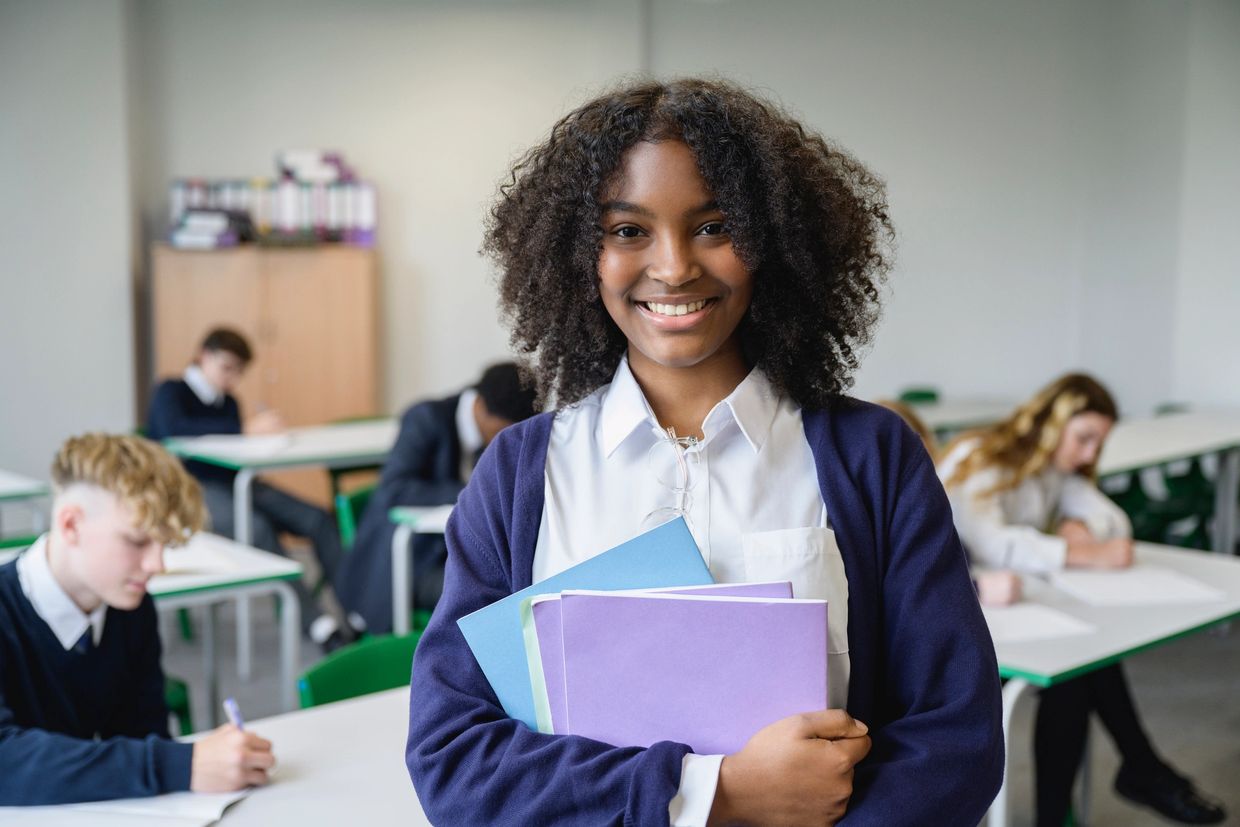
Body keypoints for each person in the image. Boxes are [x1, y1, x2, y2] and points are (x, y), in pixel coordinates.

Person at [405, 78, 1003, 825]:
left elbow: (958, 741)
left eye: (715, 226)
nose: (675, 265)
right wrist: (714, 795)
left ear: (773, 242)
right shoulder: (520, 473)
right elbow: (453, 757)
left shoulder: (871, 456)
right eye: (629, 231)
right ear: (579, 253)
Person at [938, 373, 1226, 826]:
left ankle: (1121, 780)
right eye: (1084, 438)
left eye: (1098, 444)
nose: (1089, 455)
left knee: (1079, 667)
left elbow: (1114, 521)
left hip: (1006, 610)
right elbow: (994, 543)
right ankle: (1139, 770)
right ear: (1055, 421)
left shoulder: (1052, 470)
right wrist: (1078, 552)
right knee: (1082, 666)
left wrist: (1086, 530)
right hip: (952, 615)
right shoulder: (981, 457)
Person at [0, 433, 274, 805]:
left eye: (163, 544)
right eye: (137, 541)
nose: (157, 565)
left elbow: (142, 731)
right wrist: (178, 766)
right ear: (71, 526)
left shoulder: (129, 607)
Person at [145, 327, 347, 649]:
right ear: (203, 357)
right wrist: (244, 429)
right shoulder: (171, 390)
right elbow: (175, 430)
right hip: (192, 491)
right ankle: (318, 624)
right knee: (258, 529)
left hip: (239, 481)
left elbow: (237, 448)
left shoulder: (228, 402)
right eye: (226, 368)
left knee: (318, 518)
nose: (232, 378)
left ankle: (358, 613)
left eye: (238, 372)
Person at [334, 362, 538, 635]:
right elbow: (395, 488)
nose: (505, 441)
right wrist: (472, 491)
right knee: (492, 591)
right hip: (411, 560)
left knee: (522, 576)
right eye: (502, 431)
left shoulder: (499, 425)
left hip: (456, 550)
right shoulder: (425, 418)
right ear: (481, 407)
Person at [877, 398, 1022, 606]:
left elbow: (953, 553)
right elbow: (890, 589)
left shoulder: (926, 508)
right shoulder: (872, 522)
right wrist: (975, 589)